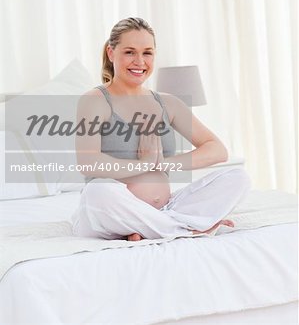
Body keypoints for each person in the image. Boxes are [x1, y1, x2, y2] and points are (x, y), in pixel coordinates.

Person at [71, 17, 250, 241]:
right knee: (98, 192)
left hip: (164, 208)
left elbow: (217, 150)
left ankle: (151, 228)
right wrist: (144, 165)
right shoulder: (95, 100)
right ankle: (184, 229)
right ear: (111, 53)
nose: (139, 61)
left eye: (147, 53)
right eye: (129, 52)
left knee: (237, 177)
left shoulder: (168, 103)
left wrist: (163, 163)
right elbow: (88, 163)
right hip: (111, 211)